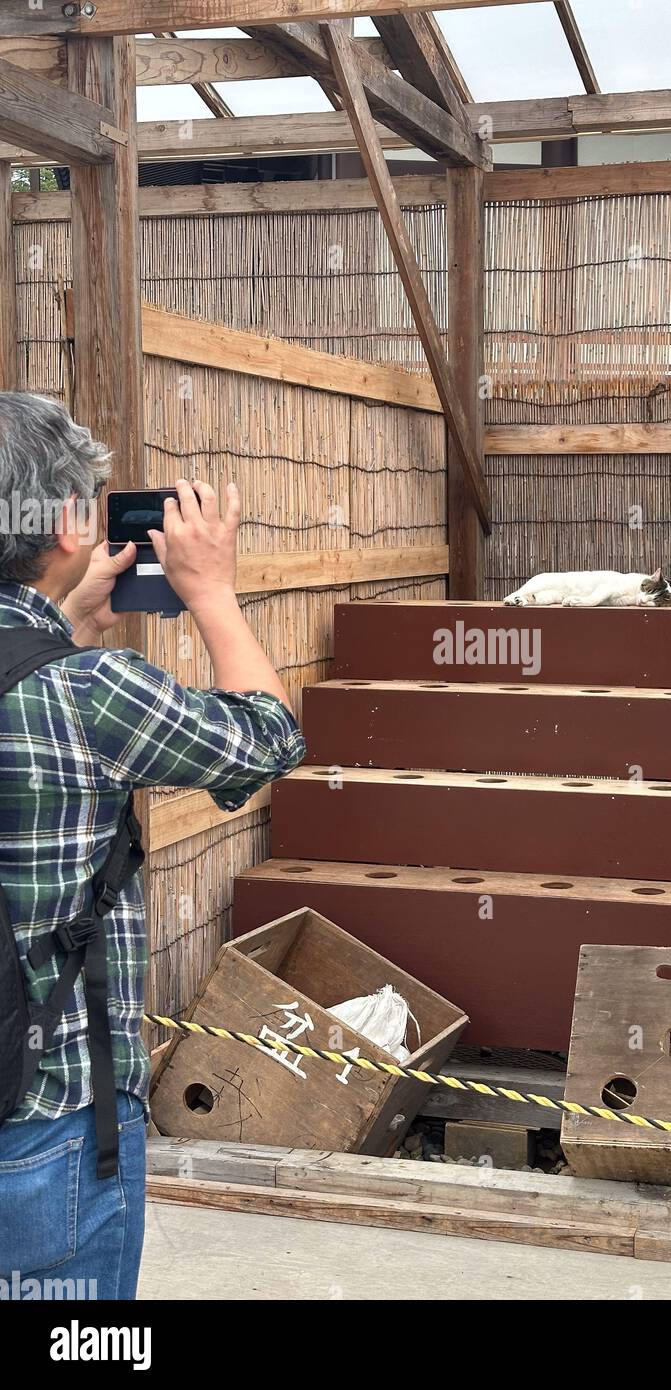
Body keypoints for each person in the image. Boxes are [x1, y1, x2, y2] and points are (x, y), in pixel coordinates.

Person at [0, 392, 306, 1299]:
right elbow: (265, 741)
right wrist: (211, 590)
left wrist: (66, 623)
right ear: (64, 527)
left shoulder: (68, 677)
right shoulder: (89, 693)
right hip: (48, 1114)